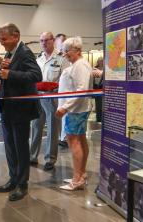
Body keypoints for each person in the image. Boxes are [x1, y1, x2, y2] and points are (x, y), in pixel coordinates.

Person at [0, 23, 42, 201]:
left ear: (16, 36)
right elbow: (2, 74)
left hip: (21, 111)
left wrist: (11, 74)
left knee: (21, 148)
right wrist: (1, 71)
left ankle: (22, 184)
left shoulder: (25, 52)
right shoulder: (9, 53)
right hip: (7, 109)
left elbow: (37, 75)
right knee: (10, 148)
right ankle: (13, 179)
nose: (2, 43)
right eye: (0, 40)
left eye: (4, 39)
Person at [56, 36, 93, 191]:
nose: (65, 54)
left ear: (77, 50)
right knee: (80, 139)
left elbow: (81, 90)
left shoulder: (80, 65)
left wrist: (65, 107)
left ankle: (77, 178)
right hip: (77, 109)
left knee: (74, 142)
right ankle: (81, 174)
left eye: (67, 51)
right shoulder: (80, 64)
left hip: (76, 110)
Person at [29, 32, 70, 171]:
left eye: (46, 40)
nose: (44, 43)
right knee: (35, 126)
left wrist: (55, 89)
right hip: (38, 96)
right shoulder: (38, 59)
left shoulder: (61, 59)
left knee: (53, 128)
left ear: (53, 41)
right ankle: (32, 156)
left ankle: (50, 159)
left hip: (53, 97)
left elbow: (65, 79)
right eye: (41, 40)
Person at [55, 33, 69, 149]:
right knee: (58, 116)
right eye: (61, 41)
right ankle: (60, 137)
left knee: (66, 115)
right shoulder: (55, 56)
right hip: (55, 90)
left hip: (67, 90)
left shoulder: (67, 56)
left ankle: (64, 138)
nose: (63, 42)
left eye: (65, 40)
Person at [92, 57, 104, 122]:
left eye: (102, 61)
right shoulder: (94, 69)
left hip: (103, 88)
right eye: (100, 61)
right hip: (96, 88)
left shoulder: (105, 69)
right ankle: (98, 118)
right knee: (98, 105)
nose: (101, 62)